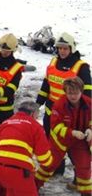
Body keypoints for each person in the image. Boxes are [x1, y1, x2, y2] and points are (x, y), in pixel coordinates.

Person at [35, 32, 91, 176]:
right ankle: (56, 169)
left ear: (71, 48)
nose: (62, 51)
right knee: (52, 144)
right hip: (51, 112)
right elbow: (46, 85)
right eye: (59, 48)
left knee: (75, 147)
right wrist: (37, 104)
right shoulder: (53, 62)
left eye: (65, 48)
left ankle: (80, 176)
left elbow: (88, 94)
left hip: (72, 115)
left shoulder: (81, 67)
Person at [0, 101, 53, 196]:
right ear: (32, 114)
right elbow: (44, 159)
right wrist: (50, 163)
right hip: (20, 174)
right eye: (36, 116)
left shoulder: (4, 124)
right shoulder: (36, 126)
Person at [35, 77, 91, 195]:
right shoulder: (59, 104)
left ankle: (86, 193)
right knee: (48, 165)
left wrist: (90, 130)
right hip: (60, 141)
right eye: (70, 93)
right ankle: (34, 187)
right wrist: (72, 132)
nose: (73, 96)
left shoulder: (89, 103)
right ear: (65, 92)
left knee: (84, 168)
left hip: (80, 141)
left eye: (76, 93)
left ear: (81, 91)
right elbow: (55, 126)